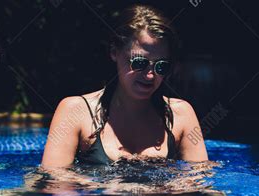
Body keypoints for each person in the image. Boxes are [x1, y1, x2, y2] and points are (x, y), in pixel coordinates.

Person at [41, 4, 208, 167]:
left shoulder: (181, 115)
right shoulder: (75, 112)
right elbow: (53, 181)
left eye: (161, 66)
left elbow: (201, 181)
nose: (150, 75)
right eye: (139, 63)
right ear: (114, 52)